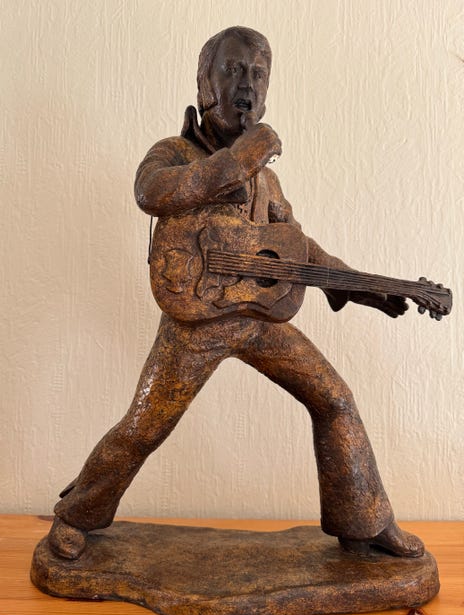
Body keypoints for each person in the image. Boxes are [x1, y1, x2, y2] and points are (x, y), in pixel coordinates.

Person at [48, 26, 424, 560]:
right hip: (194, 326)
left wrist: (359, 286)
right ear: (207, 84)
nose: (247, 84)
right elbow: (150, 192)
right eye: (233, 70)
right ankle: (75, 515)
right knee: (144, 427)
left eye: (258, 74)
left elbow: (296, 248)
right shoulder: (176, 152)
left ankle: (364, 521)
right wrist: (240, 159)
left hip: (256, 319)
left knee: (335, 399)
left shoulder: (267, 182)